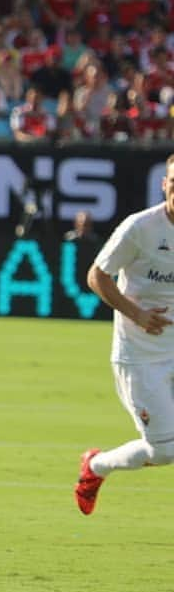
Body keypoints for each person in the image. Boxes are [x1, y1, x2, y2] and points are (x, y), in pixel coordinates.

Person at [75, 155, 174, 516]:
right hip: (140, 355)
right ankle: (96, 467)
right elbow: (96, 276)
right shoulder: (140, 228)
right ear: (164, 185)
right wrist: (138, 314)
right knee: (164, 451)